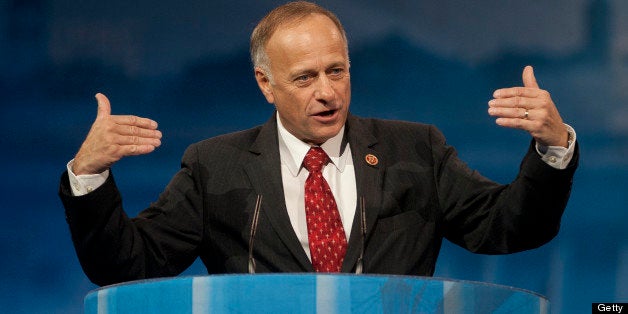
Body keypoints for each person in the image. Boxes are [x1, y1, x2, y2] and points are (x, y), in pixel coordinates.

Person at [59, 1, 578, 286]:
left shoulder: (413, 151)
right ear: (266, 83)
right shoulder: (215, 166)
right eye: (306, 78)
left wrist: (553, 149)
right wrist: (89, 174)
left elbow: (510, 227)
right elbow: (128, 265)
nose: (328, 93)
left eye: (338, 71)